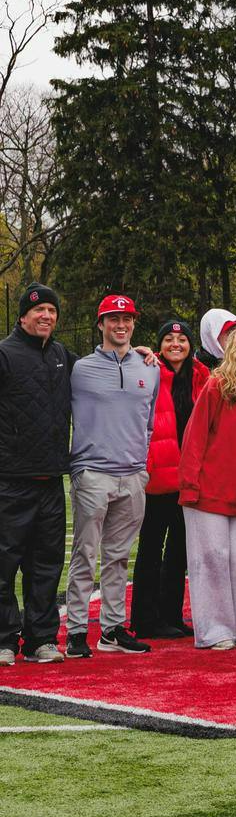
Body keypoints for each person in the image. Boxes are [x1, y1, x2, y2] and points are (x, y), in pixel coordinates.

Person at [62, 293, 161, 658]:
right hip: (93, 474)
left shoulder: (150, 367)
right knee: (85, 555)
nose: (121, 326)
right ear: (100, 323)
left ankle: (112, 630)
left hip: (133, 474)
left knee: (119, 557)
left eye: (127, 319)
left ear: (134, 323)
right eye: (113, 319)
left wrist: (141, 465)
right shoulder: (79, 368)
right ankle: (74, 631)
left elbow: (147, 423)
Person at [179, 323, 236, 651]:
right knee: (212, 558)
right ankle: (214, 630)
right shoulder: (217, 386)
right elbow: (195, 436)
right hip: (208, 487)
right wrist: (189, 484)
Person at [0, 284, 78, 664]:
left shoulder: (62, 355)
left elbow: (103, 369)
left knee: (46, 565)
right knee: (3, 564)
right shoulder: (4, 353)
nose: (46, 316)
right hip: (10, 481)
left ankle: (40, 640)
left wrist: (143, 356)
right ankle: (3, 640)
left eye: (52, 310)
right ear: (22, 316)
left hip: (51, 481)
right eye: (39, 310)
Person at [132, 319, 205, 639]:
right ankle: (145, 619)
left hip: (189, 477)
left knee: (179, 550)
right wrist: (136, 353)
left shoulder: (201, 376)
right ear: (158, 344)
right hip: (157, 476)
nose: (176, 344)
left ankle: (171, 615)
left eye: (182, 339)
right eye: (168, 339)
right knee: (150, 547)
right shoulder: (148, 369)